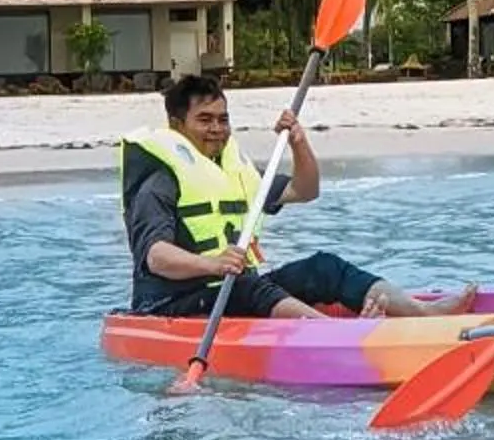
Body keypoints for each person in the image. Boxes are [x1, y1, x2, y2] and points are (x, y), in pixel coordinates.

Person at [120, 73, 473, 321]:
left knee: (323, 267)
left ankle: (423, 313)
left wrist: (298, 143)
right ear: (177, 125)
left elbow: (305, 190)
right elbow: (156, 257)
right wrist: (213, 264)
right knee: (249, 288)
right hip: (171, 303)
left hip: (231, 288)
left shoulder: (232, 170)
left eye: (223, 119)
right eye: (205, 120)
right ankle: (337, 335)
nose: (217, 129)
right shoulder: (159, 179)